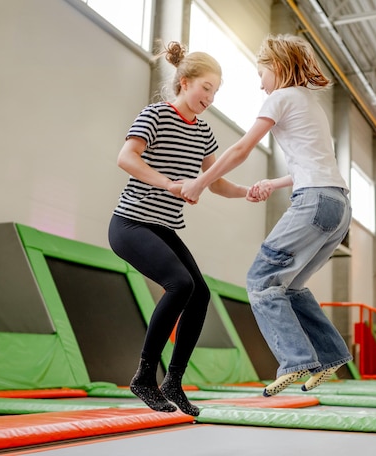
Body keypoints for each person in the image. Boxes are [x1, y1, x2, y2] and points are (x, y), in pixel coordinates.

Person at [181, 34, 353, 397]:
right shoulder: (310, 103)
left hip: (313, 202)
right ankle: (332, 354)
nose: (260, 84)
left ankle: (295, 360)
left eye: (261, 74)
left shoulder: (281, 97)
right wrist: (272, 184)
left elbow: (243, 147)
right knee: (289, 286)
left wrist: (200, 182)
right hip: (338, 207)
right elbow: (313, 165)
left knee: (260, 280)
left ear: (276, 66)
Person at [108, 41, 258, 416]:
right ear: (185, 82)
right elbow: (126, 158)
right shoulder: (155, 114)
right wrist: (170, 184)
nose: (210, 97)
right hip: (130, 223)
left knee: (200, 294)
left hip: (164, 227)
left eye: (216, 92)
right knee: (181, 284)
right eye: (206, 88)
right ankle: (144, 376)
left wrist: (246, 192)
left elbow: (215, 182)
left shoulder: (204, 133)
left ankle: (173, 381)